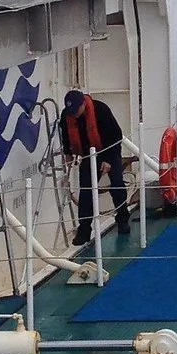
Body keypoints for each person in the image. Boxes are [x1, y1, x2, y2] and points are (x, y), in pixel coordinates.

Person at [58, 89, 129, 246]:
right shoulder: (67, 115)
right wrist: (68, 153)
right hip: (88, 155)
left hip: (109, 150)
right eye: (71, 111)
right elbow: (65, 135)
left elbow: (116, 135)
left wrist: (109, 160)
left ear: (83, 103)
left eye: (77, 110)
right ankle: (84, 230)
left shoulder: (101, 110)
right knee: (86, 191)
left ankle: (123, 218)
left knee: (116, 184)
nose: (74, 114)